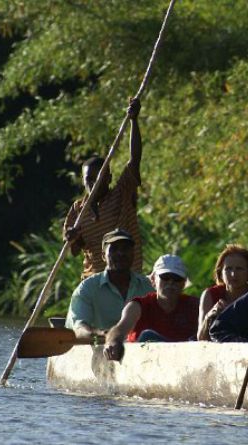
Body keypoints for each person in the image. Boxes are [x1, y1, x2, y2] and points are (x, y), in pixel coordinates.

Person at [63, 97, 145, 278]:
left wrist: (134, 121)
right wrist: (73, 238)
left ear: (108, 179)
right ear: (83, 181)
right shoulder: (78, 210)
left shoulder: (122, 193)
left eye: (99, 179)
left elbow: (134, 159)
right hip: (96, 281)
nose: (93, 184)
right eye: (89, 180)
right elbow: (74, 251)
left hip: (129, 277)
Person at [104, 254, 198, 361]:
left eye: (176, 279)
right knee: (148, 336)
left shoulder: (194, 306)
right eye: (165, 277)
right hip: (143, 363)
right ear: (153, 280)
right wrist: (113, 341)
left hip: (183, 363)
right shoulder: (138, 306)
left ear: (183, 284)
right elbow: (120, 328)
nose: (171, 283)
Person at [64, 228, 154, 340]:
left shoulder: (147, 286)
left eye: (125, 249)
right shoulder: (87, 288)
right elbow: (79, 328)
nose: (120, 253)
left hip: (139, 347)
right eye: (114, 249)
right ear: (103, 256)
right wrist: (102, 335)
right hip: (100, 346)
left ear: (133, 254)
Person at [196, 244, 248, 341]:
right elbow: (201, 338)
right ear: (221, 273)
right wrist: (209, 317)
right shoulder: (210, 295)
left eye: (239, 269)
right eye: (228, 269)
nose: (233, 274)